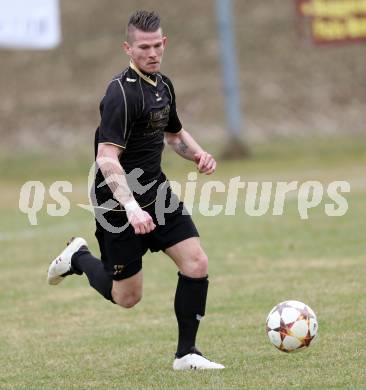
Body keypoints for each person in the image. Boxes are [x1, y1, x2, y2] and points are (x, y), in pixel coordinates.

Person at [47, 10, 224, 371]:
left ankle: (187, 354)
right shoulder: (120, 94)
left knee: (197, 262)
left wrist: (198, 154)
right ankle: (78, 257)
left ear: (165, 43)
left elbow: (174, 135)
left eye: (158, 45)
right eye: (144, 47)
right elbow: (106, 157)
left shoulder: (163, 85)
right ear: (128, 48)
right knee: (127, 297)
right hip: (116, 201)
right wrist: (130, 207)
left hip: (155, 192)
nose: (153, 53)